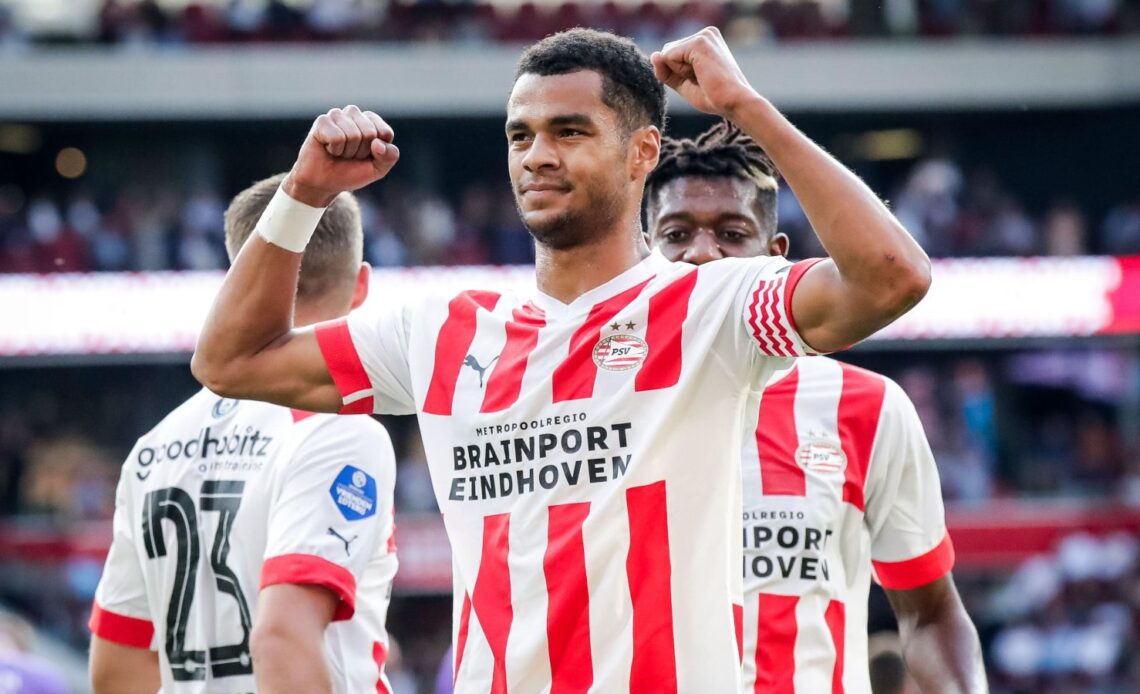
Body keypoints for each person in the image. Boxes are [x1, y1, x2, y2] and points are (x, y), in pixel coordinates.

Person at [192, 27, 931, 692]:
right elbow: (231, 360)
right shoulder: (444, 330)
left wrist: (746, 107)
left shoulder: (710, 309)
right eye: (521, 136)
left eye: (569, 131)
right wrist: (305, 193)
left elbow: (892, 276)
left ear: (642, 152)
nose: (538, 156)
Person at [645, 121, 986, 693]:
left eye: (731, 232)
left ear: (775, 255)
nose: (702, 254)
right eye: (676, 234)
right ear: (645, 254)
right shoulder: (597, 406)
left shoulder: (867, 409)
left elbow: (929, 613)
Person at [88, 174, 399, 694]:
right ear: (361, 284)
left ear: (239, 277)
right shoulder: (339, 430)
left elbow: (116, 670)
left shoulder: (153, 448)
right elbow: (280, 639)